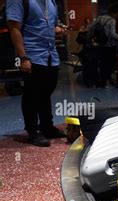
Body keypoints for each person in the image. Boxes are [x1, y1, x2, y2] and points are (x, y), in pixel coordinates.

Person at [7, 0, 68, 147]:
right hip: (32, 54)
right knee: (32, 94)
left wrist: (58, 30)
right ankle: (33, 131)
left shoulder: (51, 2)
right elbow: (14, 29)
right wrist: (23, 57)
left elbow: (50, 27)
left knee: (46, 91)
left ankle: (47, 126)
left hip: (50, 55)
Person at [89, 5, 118, 89]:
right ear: (113, 13)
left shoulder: (99, 18)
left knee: (102, 64)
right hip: (109, 46)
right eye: (117, 14)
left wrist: (91, 38)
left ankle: (101, 82)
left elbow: (91, 28)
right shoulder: (112, 20)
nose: (117, 16)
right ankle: (106, 83)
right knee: (109, 64)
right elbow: (112, 34)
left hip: (100, 45)